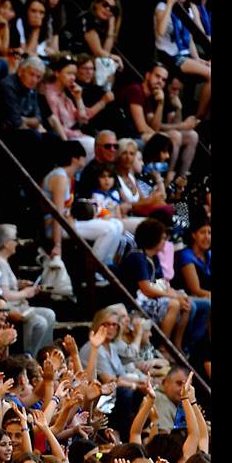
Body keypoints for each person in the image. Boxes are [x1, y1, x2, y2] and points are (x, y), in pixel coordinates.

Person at [42, 140, 122, 266]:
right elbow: (57, 214)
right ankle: (95, 269)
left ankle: (107, 263)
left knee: (117, 224)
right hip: (54, 227)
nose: (84, 160)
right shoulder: (59, 178)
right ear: (75, 158)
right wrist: (57, 245)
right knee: (108, 229)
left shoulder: (67, 176)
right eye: (82, 157)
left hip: (67, 222)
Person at [118, 219, 193, 350]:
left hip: (149, 298)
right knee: (174, 304)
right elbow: (146, 289)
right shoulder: (137, 257)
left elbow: (161, 283)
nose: (165, 242)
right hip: (134, 304)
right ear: (153, 239)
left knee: (186, 301)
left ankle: (177, 347)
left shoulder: (154, 257)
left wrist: (175, 294)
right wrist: (173, 297)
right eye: (162, 238)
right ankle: (163, 348)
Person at [118, 63, 198, 184]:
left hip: (140, 134)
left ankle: (181, 181)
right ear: (148, 75)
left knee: (192, 136)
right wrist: (161, 136)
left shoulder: (150, 96)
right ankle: (166, 182)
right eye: (157, 76)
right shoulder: (136, 90)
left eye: (163, 79)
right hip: (125, 134)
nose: (160, 81)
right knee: (172, 137)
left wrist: (161, 103)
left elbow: (153, 126)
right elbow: (142, 127)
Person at [0, 223, 55, 356]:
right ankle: (30, 355)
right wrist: (25, 293)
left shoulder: (4, 261)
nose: (17, 243)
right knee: (40, 322)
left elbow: (6, 285)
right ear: (7, 243)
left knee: (49, 314)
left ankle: (45, 354)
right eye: (15, 240)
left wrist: (19, 285)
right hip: (10, 306)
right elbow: (5, 294)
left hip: (18, 305)